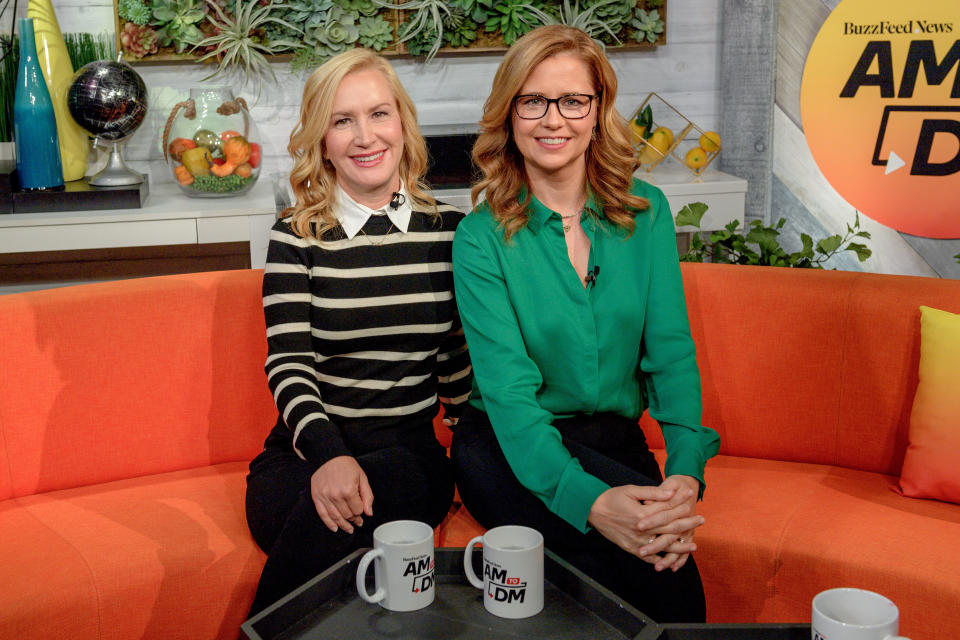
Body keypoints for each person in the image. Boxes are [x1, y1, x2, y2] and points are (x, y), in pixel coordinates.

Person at [450, 25, 721, 623]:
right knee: (606, 578)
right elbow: (511, 396)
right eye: (533, 101)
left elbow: (671, 355)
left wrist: (683, 474)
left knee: (673, 590)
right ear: (509, 114)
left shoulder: (645, 215)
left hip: (610, 435)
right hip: (504, 444)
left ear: (598, 113)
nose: (553, 120)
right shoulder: (479, 237)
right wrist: (592, 503)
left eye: (573, 101)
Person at [245, 48, 472, 616]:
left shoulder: (450, 233)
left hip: (408, 463)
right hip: (303, 460)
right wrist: (327, 457)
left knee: (389, 475)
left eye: (378, 114)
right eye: (342, 121)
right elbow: (288, 363)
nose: (364, 136)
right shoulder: (296, 237)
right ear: (322, 139)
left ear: (403, 124)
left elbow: (458, 362)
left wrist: (482, 457)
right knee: (339, 513)